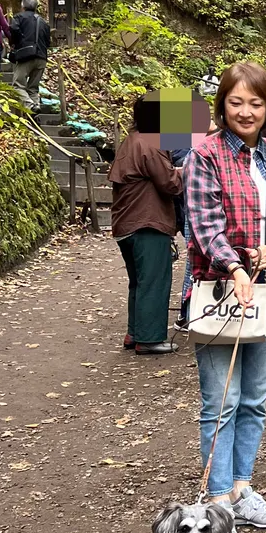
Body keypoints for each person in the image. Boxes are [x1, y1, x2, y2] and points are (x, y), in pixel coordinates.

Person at [184, 61, 266, 528]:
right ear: (222, 105)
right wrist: (235, 265)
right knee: (221, 400)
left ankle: (242, 488)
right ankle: (217, 501)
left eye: (255, 103)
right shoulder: (206, 154)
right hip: (220, 289)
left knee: (255, 398)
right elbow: (203, 223)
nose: (245, 111)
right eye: (235, 102)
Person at [109, 95, 185, 355]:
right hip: (147, 222)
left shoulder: (131, 140)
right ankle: (150, 338)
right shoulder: (151, 143)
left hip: (126, 224)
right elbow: (171, 184)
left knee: (139, 281)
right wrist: (185, 171)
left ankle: (135, 332)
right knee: (154, 280)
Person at [7, 0, 50, 110]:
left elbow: (13, 29)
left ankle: (30, 106)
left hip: (25, 56)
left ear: (23, 6)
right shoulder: (43, 22)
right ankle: (36, 109)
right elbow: (48, 42)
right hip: (42, 57)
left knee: (18, 85)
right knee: (33, 88)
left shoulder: (19, 17)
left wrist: (15, 43)